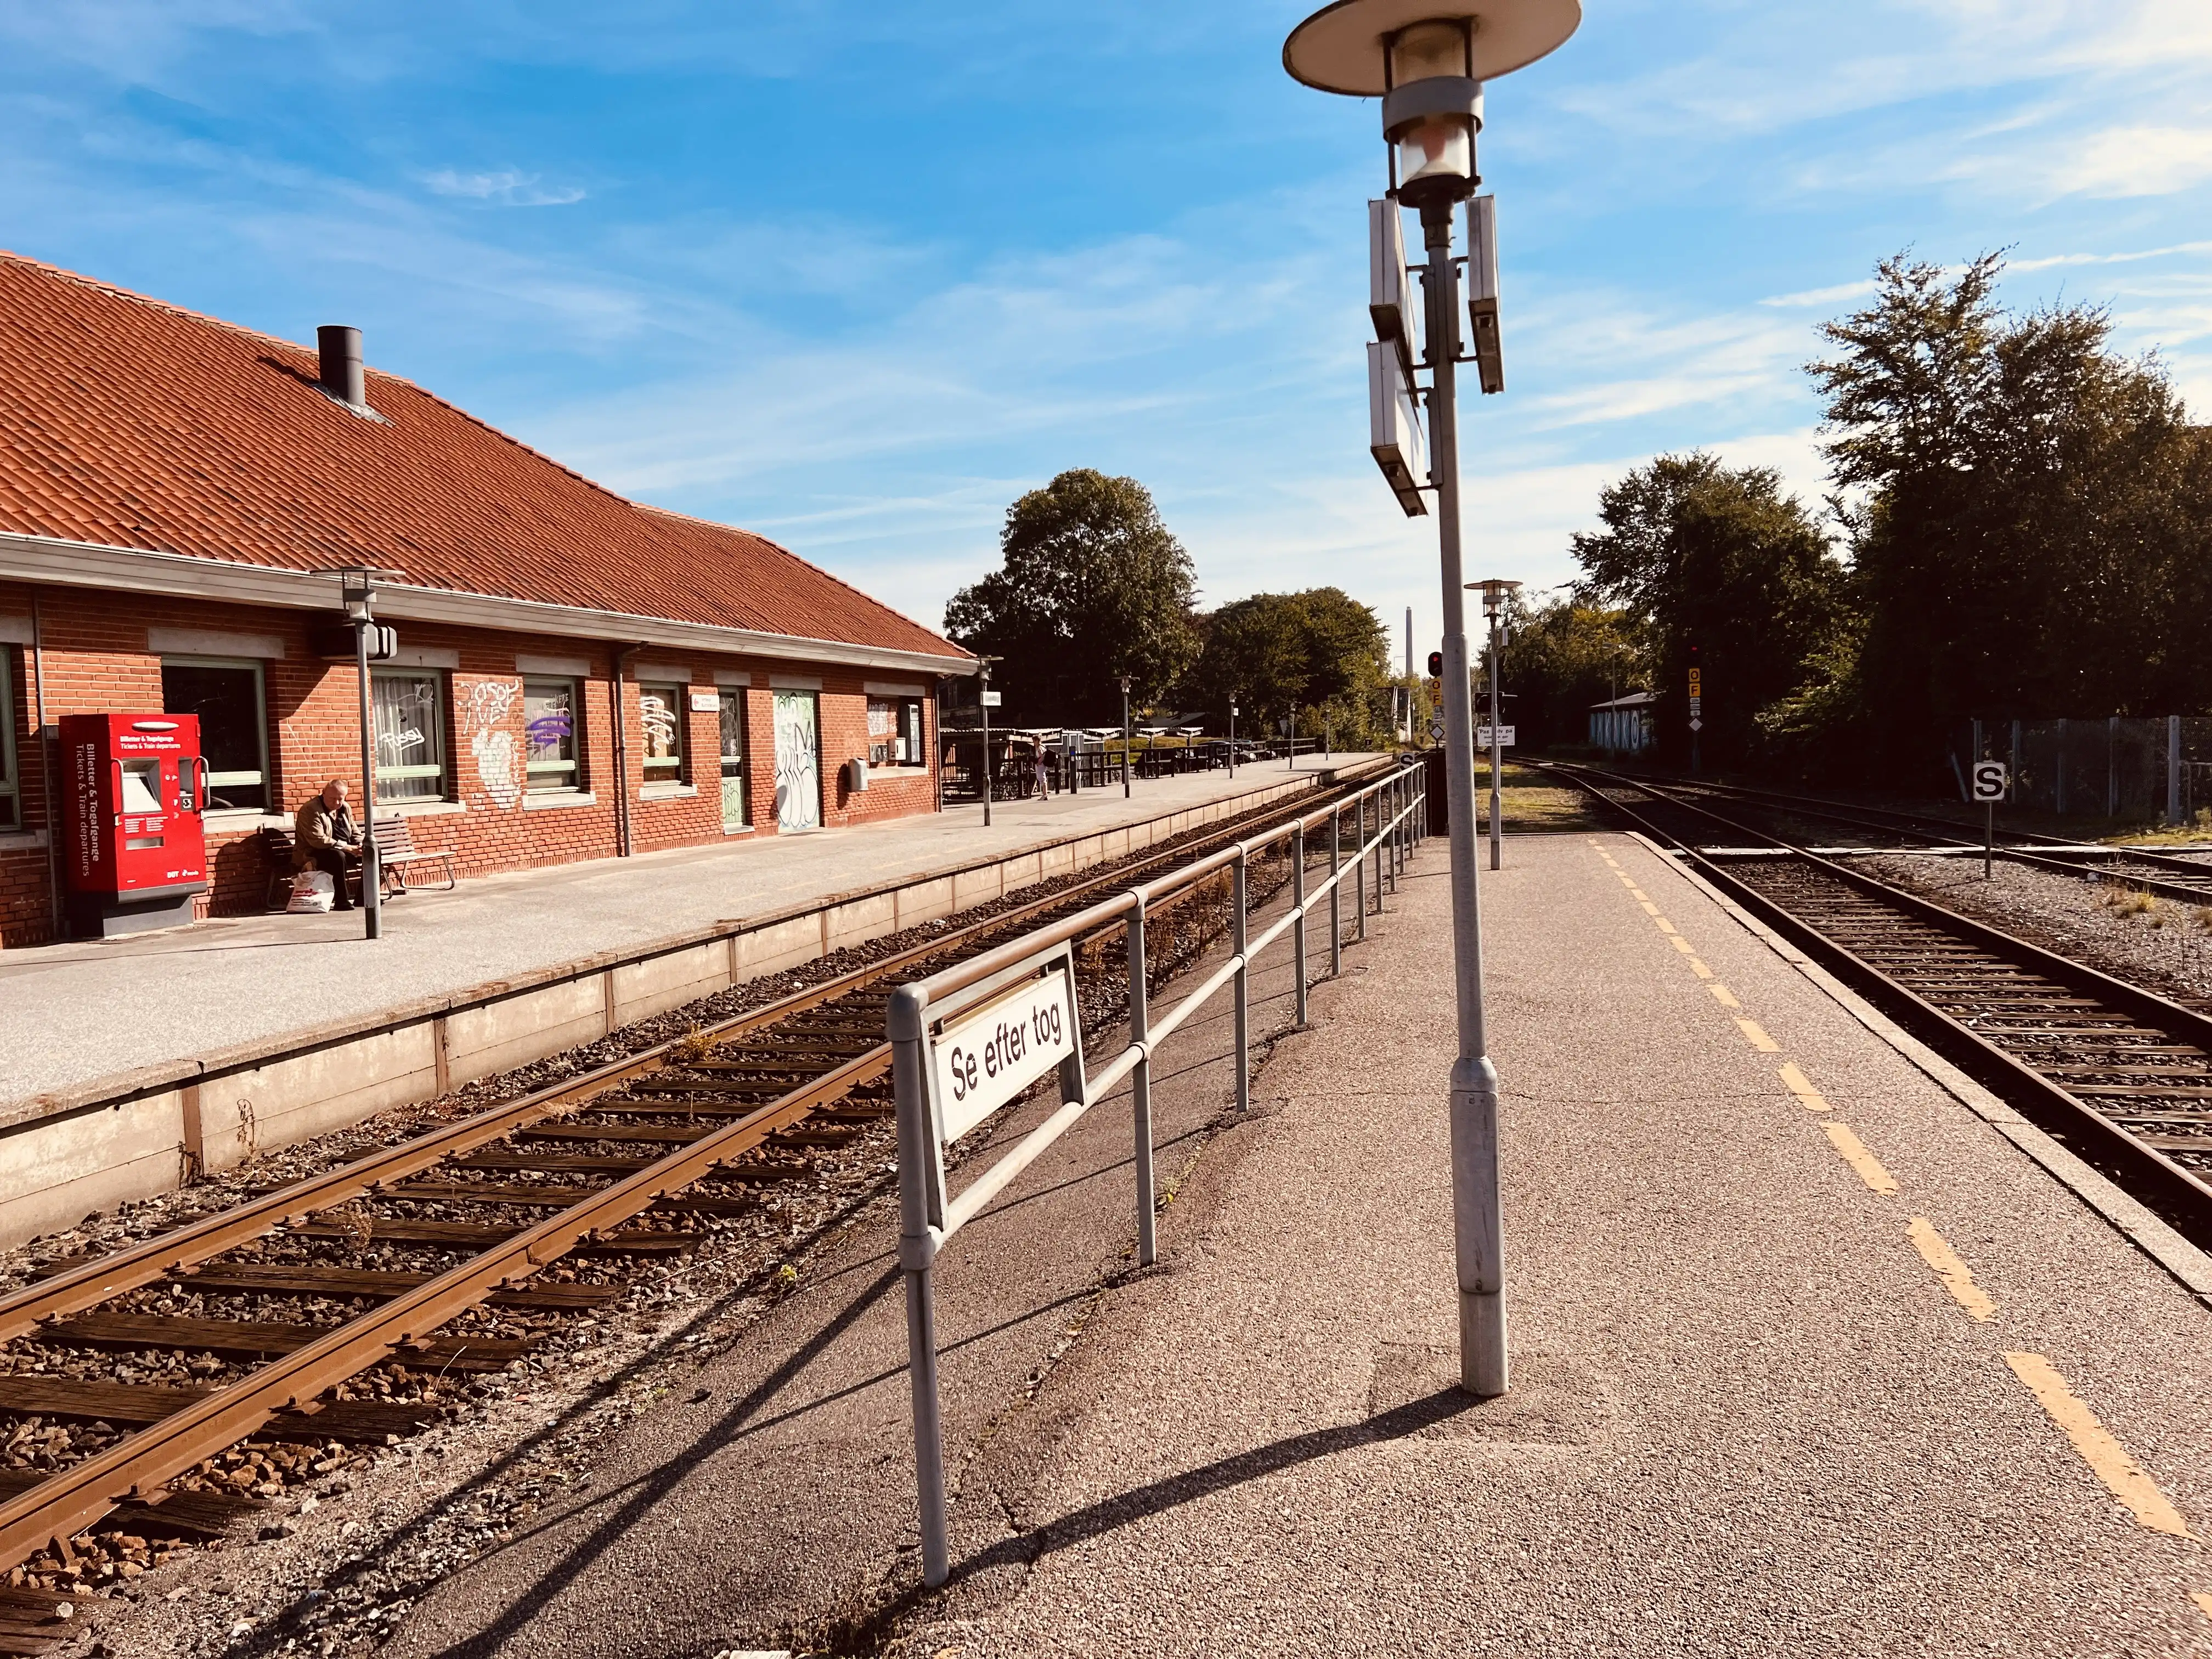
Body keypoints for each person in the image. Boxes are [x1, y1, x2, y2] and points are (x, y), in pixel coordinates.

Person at [294, 778, 364, 911]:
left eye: (340, 799)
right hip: (314, 853)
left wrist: (360, 844)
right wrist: (347, 847)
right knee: (338, 856)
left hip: (344, 850)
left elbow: (355, 830)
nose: (337, 803)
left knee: (373, 851)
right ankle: (342, 901)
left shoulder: (345, 808)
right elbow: (318, 840)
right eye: (332, 799)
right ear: (324, 793)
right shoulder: (311, 810)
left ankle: (365, 896)